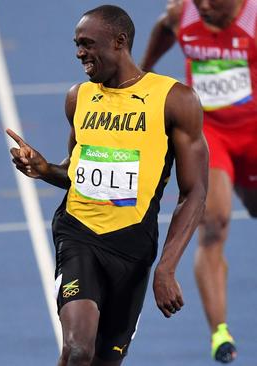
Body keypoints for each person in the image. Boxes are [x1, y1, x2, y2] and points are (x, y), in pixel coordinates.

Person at [8, 5, 208, 365]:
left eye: (87, 43)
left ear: (119, 42)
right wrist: (44, 168)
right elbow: (74, 173)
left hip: (132, 248)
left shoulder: (174, 100)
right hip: (78, 235)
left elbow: (194, 192)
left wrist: (167, 267)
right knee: (78, 349)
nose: (79, 52)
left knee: (105, 359)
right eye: (76, 44)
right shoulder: (79, 97)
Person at [140, 0, 257, 362]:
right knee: (213, 224)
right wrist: (144, 71)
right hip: (211, 135)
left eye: (213, 1)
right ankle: (219, 333)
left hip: (253, 133)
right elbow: (163, 27)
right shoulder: (182, 15)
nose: (203, 6)